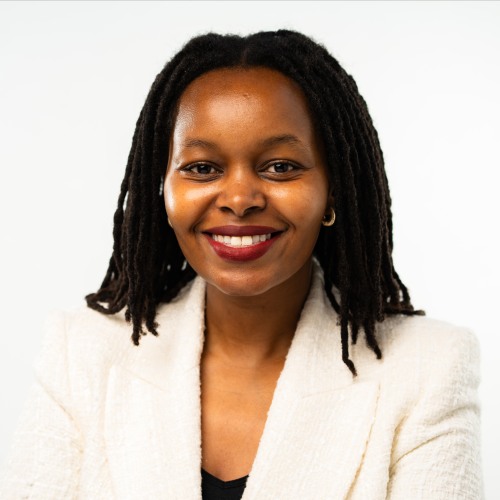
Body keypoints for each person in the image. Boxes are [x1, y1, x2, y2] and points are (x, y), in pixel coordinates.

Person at [0, 30, 481, 499]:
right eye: (202, 168)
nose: (239, 199)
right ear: (162, 190)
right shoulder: (80, 356)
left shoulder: (428, 370)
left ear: (332, 189)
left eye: (280, 166)